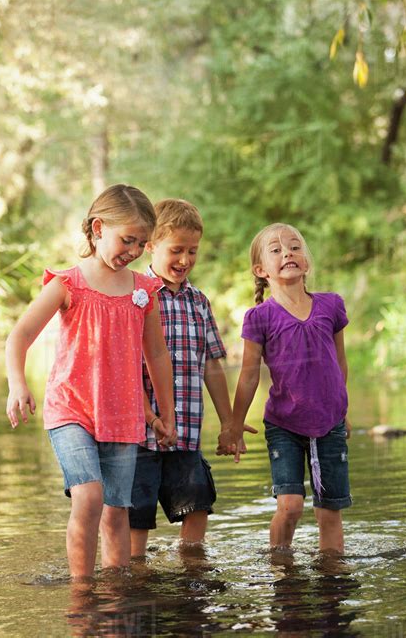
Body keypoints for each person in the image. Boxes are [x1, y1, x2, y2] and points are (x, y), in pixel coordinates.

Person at [5, 184, 175, 577]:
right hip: (71, 410)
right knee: (89, 496)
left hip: (122, 415)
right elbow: (20, 336)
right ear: (98, 228)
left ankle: (114, 594)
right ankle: (82, 593)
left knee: (117, 510)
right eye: (127, 240)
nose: (133, 251)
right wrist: (17, 383)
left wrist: (166, 413)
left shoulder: (143, 291)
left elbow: (157, 354)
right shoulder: (68, 284)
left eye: (141, 243)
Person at [130, 198, 256, 557]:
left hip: (185, 431)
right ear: (150, 246)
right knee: (136, 514)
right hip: (140, 434)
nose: (184, 260)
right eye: (176, 250)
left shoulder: (198, 301)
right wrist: (150, 417)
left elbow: (212, 365)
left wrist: (231, 421)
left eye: (193, 251)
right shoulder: (136, 295)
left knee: (197, 501)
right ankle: (136, 573)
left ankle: (192, 569)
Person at [218, 223, 352, 554]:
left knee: (329, 512)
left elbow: (340, 363)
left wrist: (342, 410)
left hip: (329, 423)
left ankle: (332, 581)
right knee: (290, 505)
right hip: (284, 425)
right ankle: (281, 573)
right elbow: (248, 376)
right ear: (261, 270)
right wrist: (234, 424)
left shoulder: (331, 305)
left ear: (306, 262)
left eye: (294, 247)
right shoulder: (259, 317)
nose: (288, 253)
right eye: (276, 250)